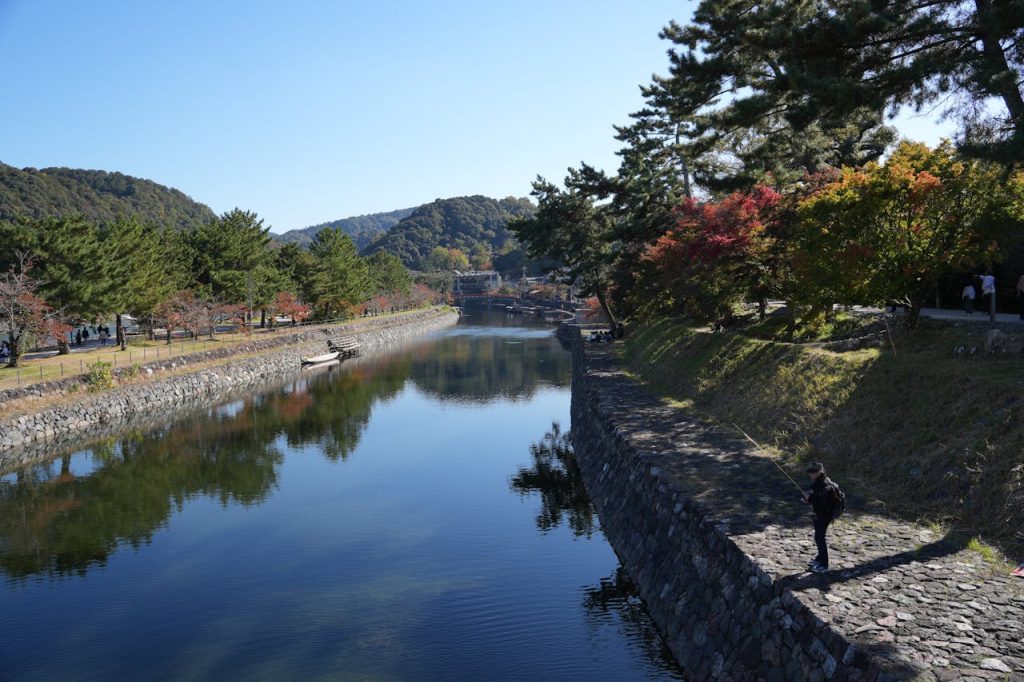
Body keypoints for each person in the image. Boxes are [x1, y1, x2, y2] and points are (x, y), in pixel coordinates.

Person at [802, 462, 840, 573]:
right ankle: (819, 558)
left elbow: (822, 504)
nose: (810, 475)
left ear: (818, 473)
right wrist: (809, 498)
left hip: (824, 516)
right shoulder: (821, 481)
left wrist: (809, 499)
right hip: (821, 514)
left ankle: (824, 564)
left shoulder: (825, 485)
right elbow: (817, 497)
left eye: (812, 473)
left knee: (820, 538)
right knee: (818, 537)